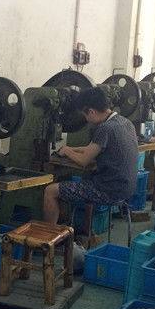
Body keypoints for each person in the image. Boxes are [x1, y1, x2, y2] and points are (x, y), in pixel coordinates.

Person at [43, 87, 139, 224]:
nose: (85, 119)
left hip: (109, 191)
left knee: (50, 191)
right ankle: (73, 227)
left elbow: (84, 161)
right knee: (83, 179)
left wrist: (68, 152)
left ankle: (49, 234)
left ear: (92, 111)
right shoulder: (124, 122)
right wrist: (70, 149)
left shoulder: (105, 128)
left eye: (85, 115)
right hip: (126, 189)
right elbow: (93, 149)